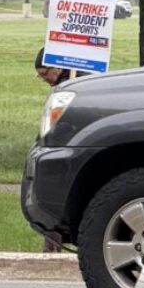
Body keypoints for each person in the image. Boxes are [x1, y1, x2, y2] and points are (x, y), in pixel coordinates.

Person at [32, 46, 87, 251]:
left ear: (58, 67)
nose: (45, 79)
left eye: (45, 74)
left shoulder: (71, 87)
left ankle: (52, 246)